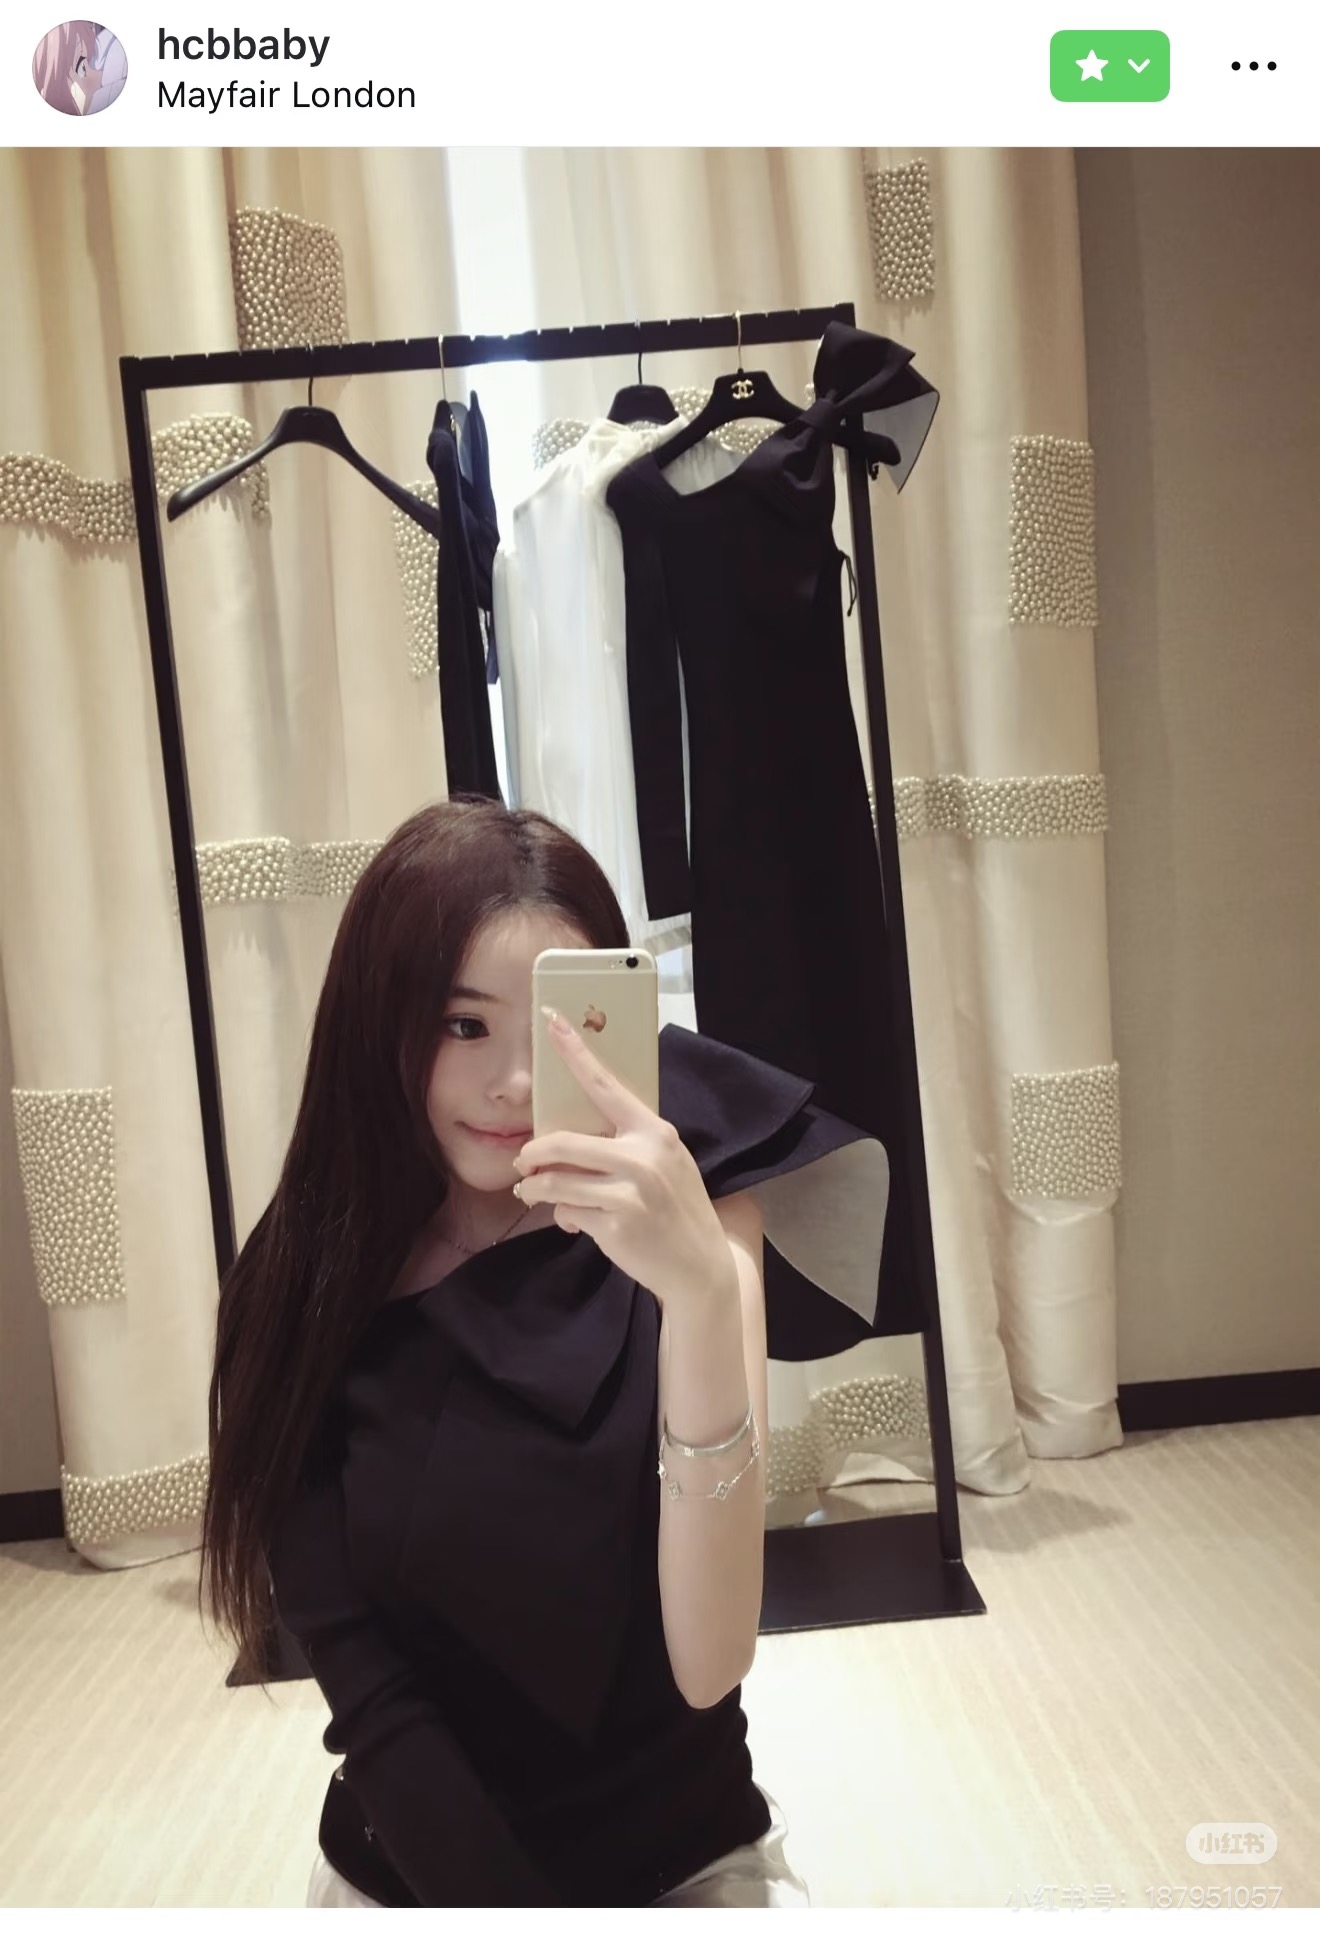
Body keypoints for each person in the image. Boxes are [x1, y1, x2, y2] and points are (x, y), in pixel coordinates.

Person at [199, 798, 885, 1905]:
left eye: (560, 1025)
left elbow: (710, 1661)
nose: (514, 1082)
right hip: (416, 1868)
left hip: (684, 1859)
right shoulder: (306, 1278)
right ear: (381, 1019)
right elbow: (372, 1698)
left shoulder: (697, 1224)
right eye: (463, 1025)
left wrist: (702, 1297)